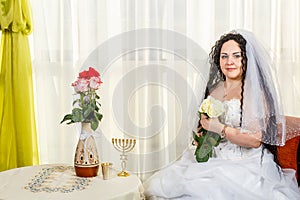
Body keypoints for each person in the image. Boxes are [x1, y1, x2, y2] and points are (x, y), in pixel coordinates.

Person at [143, 30, 300, 200]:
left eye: (236, 56)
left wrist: (220, 128)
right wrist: (203, 133)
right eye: (224, 56)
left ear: (246, 60)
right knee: (170, 184)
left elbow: (255, 141)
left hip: (245, 163)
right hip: (217, 155)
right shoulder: (216, 89)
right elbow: (209, 126)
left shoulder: (254, 93)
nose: (229, 61)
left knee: (208, 190)